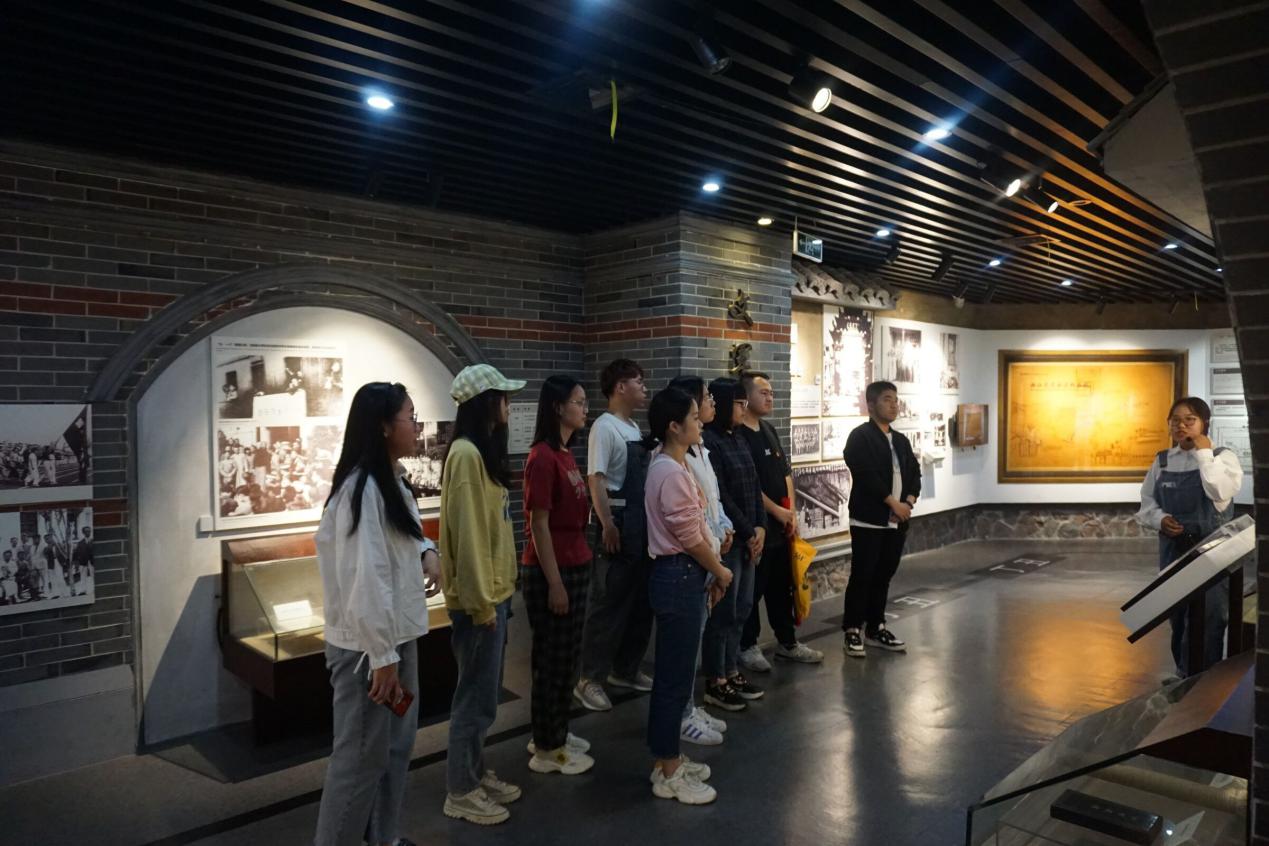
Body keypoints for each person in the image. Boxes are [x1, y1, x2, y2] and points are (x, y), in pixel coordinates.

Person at [313, 381, 439, 846]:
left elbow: (400, 539)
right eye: (410, 417)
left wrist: (427, 550)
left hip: (395, 639)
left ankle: (385, 838)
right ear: (384, 426)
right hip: (370, 650)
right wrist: (382, 656)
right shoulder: (362, 489)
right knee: (359, 761)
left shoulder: (392, 480)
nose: (416, 426)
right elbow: (365, 576)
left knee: (394, 750)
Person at [439, 364, 526, 825]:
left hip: (493, 595)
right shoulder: (467, 456)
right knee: (473, 700)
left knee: (484, 697)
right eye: (502, 397)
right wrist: (480, 605)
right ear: (485, 403)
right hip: (481, 602)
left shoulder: (478, 453)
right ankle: (460, 789)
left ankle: (472, 772)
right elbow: (468, 537)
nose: (508, 405)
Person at [643, 387, 733, 805]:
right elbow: (689, 536)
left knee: (677, 677)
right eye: (694, 417)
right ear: (673, 427)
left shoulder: (679, 465)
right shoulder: (669, 471)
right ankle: (668, 770)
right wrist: (720, 569)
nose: (700, 422)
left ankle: (668, 759)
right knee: (673, 679)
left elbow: (699, 524)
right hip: (678, 576)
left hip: (686, 575)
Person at [1137, 396, 1243, 677]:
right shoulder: (1162, 461)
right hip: (1173, 550)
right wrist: (1160, 519)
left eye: (1189, 420)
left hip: (1211, 551)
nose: (1181, 426)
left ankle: (1204, 680)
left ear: (1204, 423)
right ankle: (1183, 675)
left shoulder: (1223, 457)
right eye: (1175, 421)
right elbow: (1147, 502)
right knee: (1178, 614)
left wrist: (1204, 454)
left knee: (1209, 616)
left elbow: (1220, 492)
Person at [521, 375, 595, 776]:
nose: (585, 409)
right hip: (554, 569)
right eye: (578, 402)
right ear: (557, 407)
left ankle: (555, 732)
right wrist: (555, 583)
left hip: (576, 561)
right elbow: (539, 524)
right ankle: (548, 746)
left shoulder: (565, 454)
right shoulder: (542, 457)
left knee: (567, 661)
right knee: (552, 662)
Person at [667, 376, 748, 725]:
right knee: (685, 647)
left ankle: (689, 709)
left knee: (701, 633)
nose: (711, 404)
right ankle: (683, 713)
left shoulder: (701, 449)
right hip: (692, 560)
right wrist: (716, 547)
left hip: (714, 547)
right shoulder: (672, 463)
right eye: (705, 399)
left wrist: (726, 528)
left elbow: (713, 501)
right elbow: (692, 517)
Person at [575, 359, 654, 712]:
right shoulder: (604, 428)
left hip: (641, 522)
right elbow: (596, 478)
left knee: (639, 602)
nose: (644, 388)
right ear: (620, 386)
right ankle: (589, 678)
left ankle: (626, 669)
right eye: (638, 382)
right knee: (608, 602)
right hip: (619, 521)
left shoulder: (634, 427)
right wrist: (607, 523)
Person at [736, 372, 824, 669]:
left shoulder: (769, 429)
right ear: (746, 397)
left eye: (772, 392)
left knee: (781, 587)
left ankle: (788, 642)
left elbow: (786, 473)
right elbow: (748, 485)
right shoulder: (739, 435)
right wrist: (775, 510)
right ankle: (747, 646)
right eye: (763, 392)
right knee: (753, 589)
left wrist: (791, 513)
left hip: (781, 526)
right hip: (757, 526)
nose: (770, 397)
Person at [701, 377, 767, 715]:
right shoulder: (710, 442)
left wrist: (761, 527)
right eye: (739, 404)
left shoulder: (739, 438)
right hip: (730, 539)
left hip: (749, 538)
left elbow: (754, 485)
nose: (743, 409)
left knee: (742, 609)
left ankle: (731, 670)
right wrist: (747, 529)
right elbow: (721, 495)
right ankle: (716, 678)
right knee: (723, 613)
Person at [841, 381, 921, 658]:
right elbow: (866, 475)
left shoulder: (900, 441)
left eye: (895, 400)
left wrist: (908, 502)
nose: (894, 404)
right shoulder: (860, 437)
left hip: (896, 521)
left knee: (884, 574)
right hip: (869, 520)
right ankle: (853, 629)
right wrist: (892, 503)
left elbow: (914, 473)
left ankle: (876, 626)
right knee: (863, 574)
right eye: (887, 399)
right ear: (871, 404)